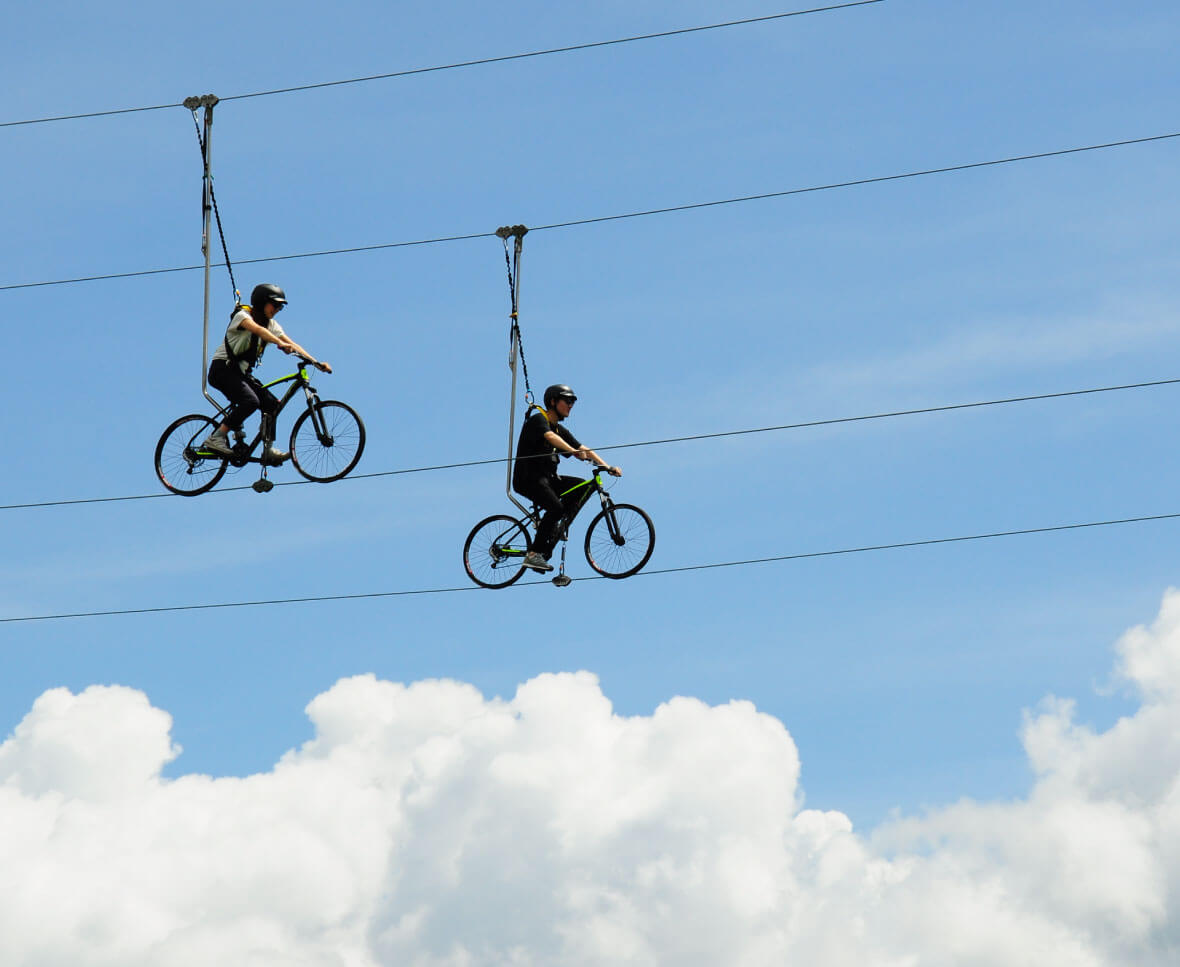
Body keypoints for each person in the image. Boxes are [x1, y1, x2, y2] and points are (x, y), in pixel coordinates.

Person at [202, 283, 331, 463]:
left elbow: (292, 343)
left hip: (240, 374)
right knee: (250, 401)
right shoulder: (242, 316)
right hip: (222, 369)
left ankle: (267, 450)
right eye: (274, 305)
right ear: (261, 302)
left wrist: (316, 362)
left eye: (280, 307)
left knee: (272, 405)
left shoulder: (271, 325)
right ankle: (215, 438)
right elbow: (258, 330)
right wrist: (279, 343)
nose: (277, 310)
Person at [512, 383, 621, 572]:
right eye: (567, 401)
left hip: (547, 478)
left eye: (572, 402)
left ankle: (555, 526)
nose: (571, 405)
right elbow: (550, 437)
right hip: (528, 478)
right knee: (556, 508)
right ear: (553, 402)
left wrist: (606, 466)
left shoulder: (559, 429)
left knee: (582, 487)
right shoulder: (539, 420)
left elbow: (583, 448)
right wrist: (572, 451)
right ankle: (533, 554)